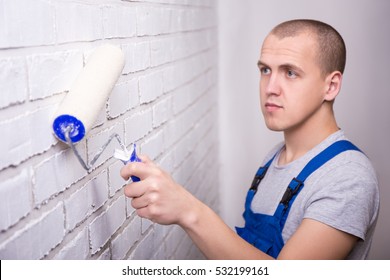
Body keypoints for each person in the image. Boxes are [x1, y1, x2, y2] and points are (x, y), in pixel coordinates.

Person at [120, 19, 380, 260]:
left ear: (331, 86)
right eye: (265, 70)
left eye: (290, 73)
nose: (270, 88)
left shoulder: (347, 177)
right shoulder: (274, 158)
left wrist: (188, 211)